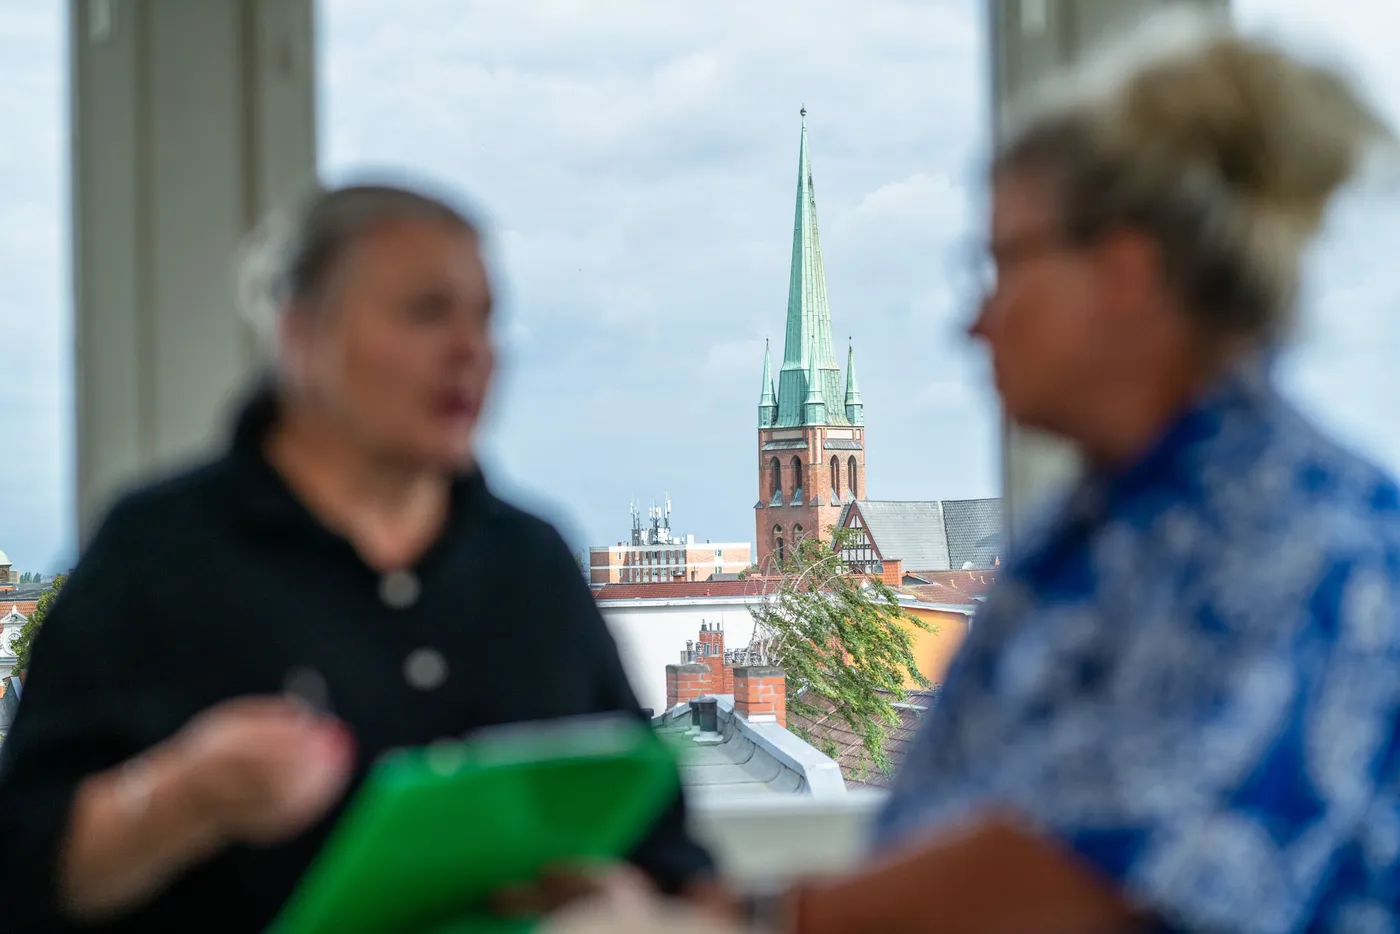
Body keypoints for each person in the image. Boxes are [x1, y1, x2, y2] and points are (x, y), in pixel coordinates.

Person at [544, 12, 1400, 934]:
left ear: (1123, 274)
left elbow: (1079, 870)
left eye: (1000, 264)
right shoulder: (1113, 525)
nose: (975, 321)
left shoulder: (1279, 538)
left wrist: (753, 917)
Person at [0, 183, 713, 931]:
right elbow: (24, 874)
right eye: (426, 312)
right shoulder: (157, 553)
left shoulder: (530, 561)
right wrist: (180, 797)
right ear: (301, 332)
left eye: (486, 318)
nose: (472, 351)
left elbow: (672, 856)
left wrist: (628, 902)